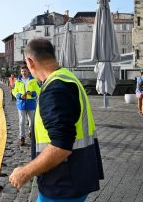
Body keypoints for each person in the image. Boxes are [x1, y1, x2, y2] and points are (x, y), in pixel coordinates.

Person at [9, 38, 104, 201]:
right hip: (77, 173)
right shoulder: (67, 77)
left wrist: (25, 172)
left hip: (63, 182)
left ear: (30, 62)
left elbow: (61, 145)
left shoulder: (55, 89)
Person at [12, 66, 40, 146]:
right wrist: (19, 95)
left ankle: (31, 134)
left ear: (28, 71)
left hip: (31, 103)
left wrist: (33, 93)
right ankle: (22, 138)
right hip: (21, 103)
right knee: (22, 121)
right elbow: (14, 90)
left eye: (25, 71)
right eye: (22, 71)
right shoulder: (17, 81)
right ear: (20, 72)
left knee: (32, 121)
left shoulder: (34, 80)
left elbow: (38, 90)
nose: (24, 72)